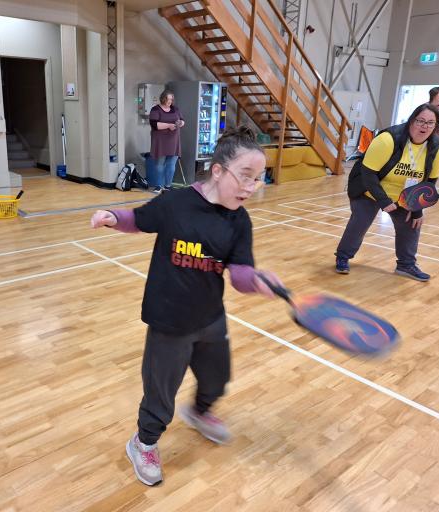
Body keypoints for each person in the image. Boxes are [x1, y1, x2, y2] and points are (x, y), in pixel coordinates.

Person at [90, 126, 283, 486]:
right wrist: (113, 218)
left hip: (210, 317)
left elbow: (239, 272)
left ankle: (199, 412)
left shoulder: (239, 221)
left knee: (217, 378)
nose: (249, 187)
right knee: (160, 392)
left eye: (257, 179)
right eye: (244, 176)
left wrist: (255, 280)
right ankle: (143, 442)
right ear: (218, 170)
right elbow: (141, 219)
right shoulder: (176, 203)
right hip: (169, 321)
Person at [335, 104, 439, 282]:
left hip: (405, 194)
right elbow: (368, 173)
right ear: (411, 121)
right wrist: (383, 201)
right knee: (360, 222)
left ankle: (406, 265)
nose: (424, 126)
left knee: (412, 224)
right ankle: (343, 257)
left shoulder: (437, 149)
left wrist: (417, 210)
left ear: (436, 126)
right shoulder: (388, 139)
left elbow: (429, 182)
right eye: (420, 121)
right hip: (369, 189)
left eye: (430, 123)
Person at [148, 89, 184, 193]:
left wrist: (180, 123)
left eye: (171, 99)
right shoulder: (155, 109)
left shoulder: (175, 109)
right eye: (168, 99)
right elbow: (154, 124)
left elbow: (182, 121)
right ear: (163, 98)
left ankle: (168, 186)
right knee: (160, 163)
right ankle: (159, 186)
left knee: (172, 164)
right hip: (161, 141)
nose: (170, 101)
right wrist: (169, 125)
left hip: (174, 140)